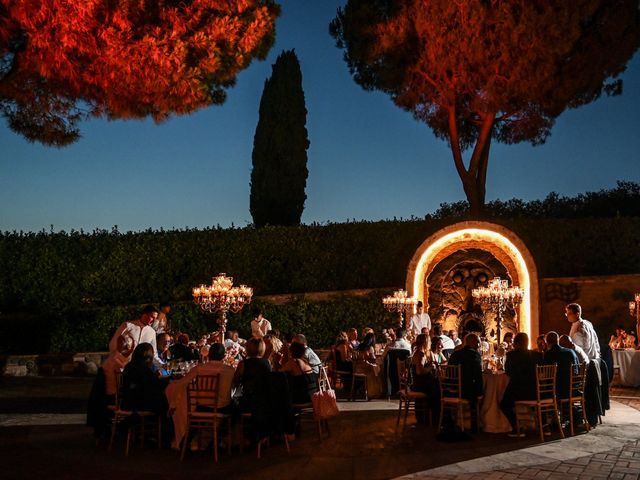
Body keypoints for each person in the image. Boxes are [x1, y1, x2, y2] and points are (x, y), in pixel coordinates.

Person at [500, 332, 541, 436]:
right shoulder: (537, 355)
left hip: (518, 392)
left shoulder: (511, 355)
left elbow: (508, 372)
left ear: (516, 343)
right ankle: (543, 426)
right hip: (536, 391)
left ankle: (517, 426)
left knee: (504, 404)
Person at [121, 343, 170, 415]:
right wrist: (169, 379)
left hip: (126, 401)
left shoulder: (129, 366)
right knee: (166, 403)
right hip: (139, 403)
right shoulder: (143, 368)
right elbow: (153, 385)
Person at [448, 333, 484, 428]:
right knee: (482, 394)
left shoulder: (455, 354)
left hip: (450, 390)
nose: (479, 345)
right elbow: (478, 376)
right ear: (473, 343)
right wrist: (480, 393)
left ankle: (455, 421)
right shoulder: (475, 355)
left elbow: (448, 372)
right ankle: (474, 424)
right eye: (477, 342)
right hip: (465, 392)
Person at [234, 337, 272, 413]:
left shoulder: (243, 364)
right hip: (264, 402)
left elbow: (235, 382)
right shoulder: (267, 362)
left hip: (248, 401)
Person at [410, 334, 439, 423]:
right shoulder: (421, 355)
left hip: (418, 383)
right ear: (426, 342)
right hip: (420, 385)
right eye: (429, 341)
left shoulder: (418, 353)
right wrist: (431, 367)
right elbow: (419, 371)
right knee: (438, 390)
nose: (430, 343)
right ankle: (435, 418)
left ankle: (428, 417)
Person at [544, 331, 578, 400]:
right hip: (573, 388)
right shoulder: (571, 352)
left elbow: (546, 375)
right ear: (558, 340)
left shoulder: (548, 355)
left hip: (557, 391)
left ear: (547, 342)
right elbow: (578, 369)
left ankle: (550, 409)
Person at [102, 333, 134, 399]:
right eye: (133, 346)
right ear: (129, 347)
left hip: (107, 393)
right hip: (114, 395)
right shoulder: (117, 361)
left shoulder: (113, 357)